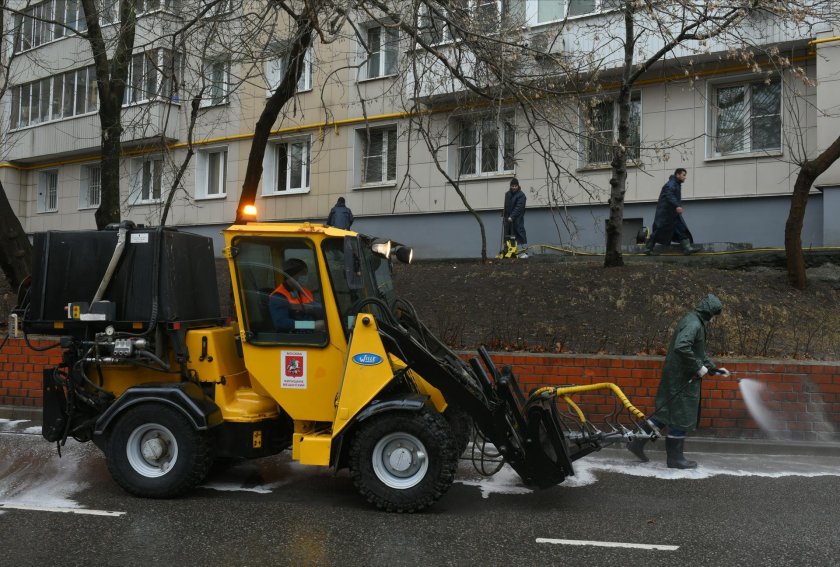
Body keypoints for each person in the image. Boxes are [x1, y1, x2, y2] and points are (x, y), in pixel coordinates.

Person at [627, 293, 730, 469]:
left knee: (667, 411)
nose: (713, 319)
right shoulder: (694, 324)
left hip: (676, 374)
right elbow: (682, 346)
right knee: (681, 414)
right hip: (682, 376)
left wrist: (712, 368)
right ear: (709, 312)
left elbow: (697, 351)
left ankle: (636, 442)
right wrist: (697, 367)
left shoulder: (692, 320)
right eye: (713, 315)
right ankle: (675, 459)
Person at [645, 168, 699, 256]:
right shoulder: (671, 184)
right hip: (666, 214)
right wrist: (677, 205)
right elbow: (669, 195)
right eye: (683, 175)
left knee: (681, 228)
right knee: (659, 231)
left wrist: (676, 206)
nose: (685, 177)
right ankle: (648, 248)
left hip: (672, 213)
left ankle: (687, 248)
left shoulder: (675, 184)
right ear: (678, 175)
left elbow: (671, 196)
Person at [269, 258, 325, 332]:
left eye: (306, 273)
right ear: (291, 276)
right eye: (302, 273)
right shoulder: (279, 296)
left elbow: (316, 309)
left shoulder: (305, 292)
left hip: (311, 333)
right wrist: (311, 325)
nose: (305, 277)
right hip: (294, 336)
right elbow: (281, 323)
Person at [503, 178, 528, 259]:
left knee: (519, 233)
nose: (514, 187)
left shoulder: (521, 195)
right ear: (510, 186)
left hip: (517, 218)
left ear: (518, 186)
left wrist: (512, 216)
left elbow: (519, 207)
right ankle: (509, 252)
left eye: (515, 186)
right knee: (508, 235)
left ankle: (522, 252)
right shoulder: (507, 194)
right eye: (512, 186)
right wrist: (504, 215)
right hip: (508, 218)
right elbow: (506, 206)